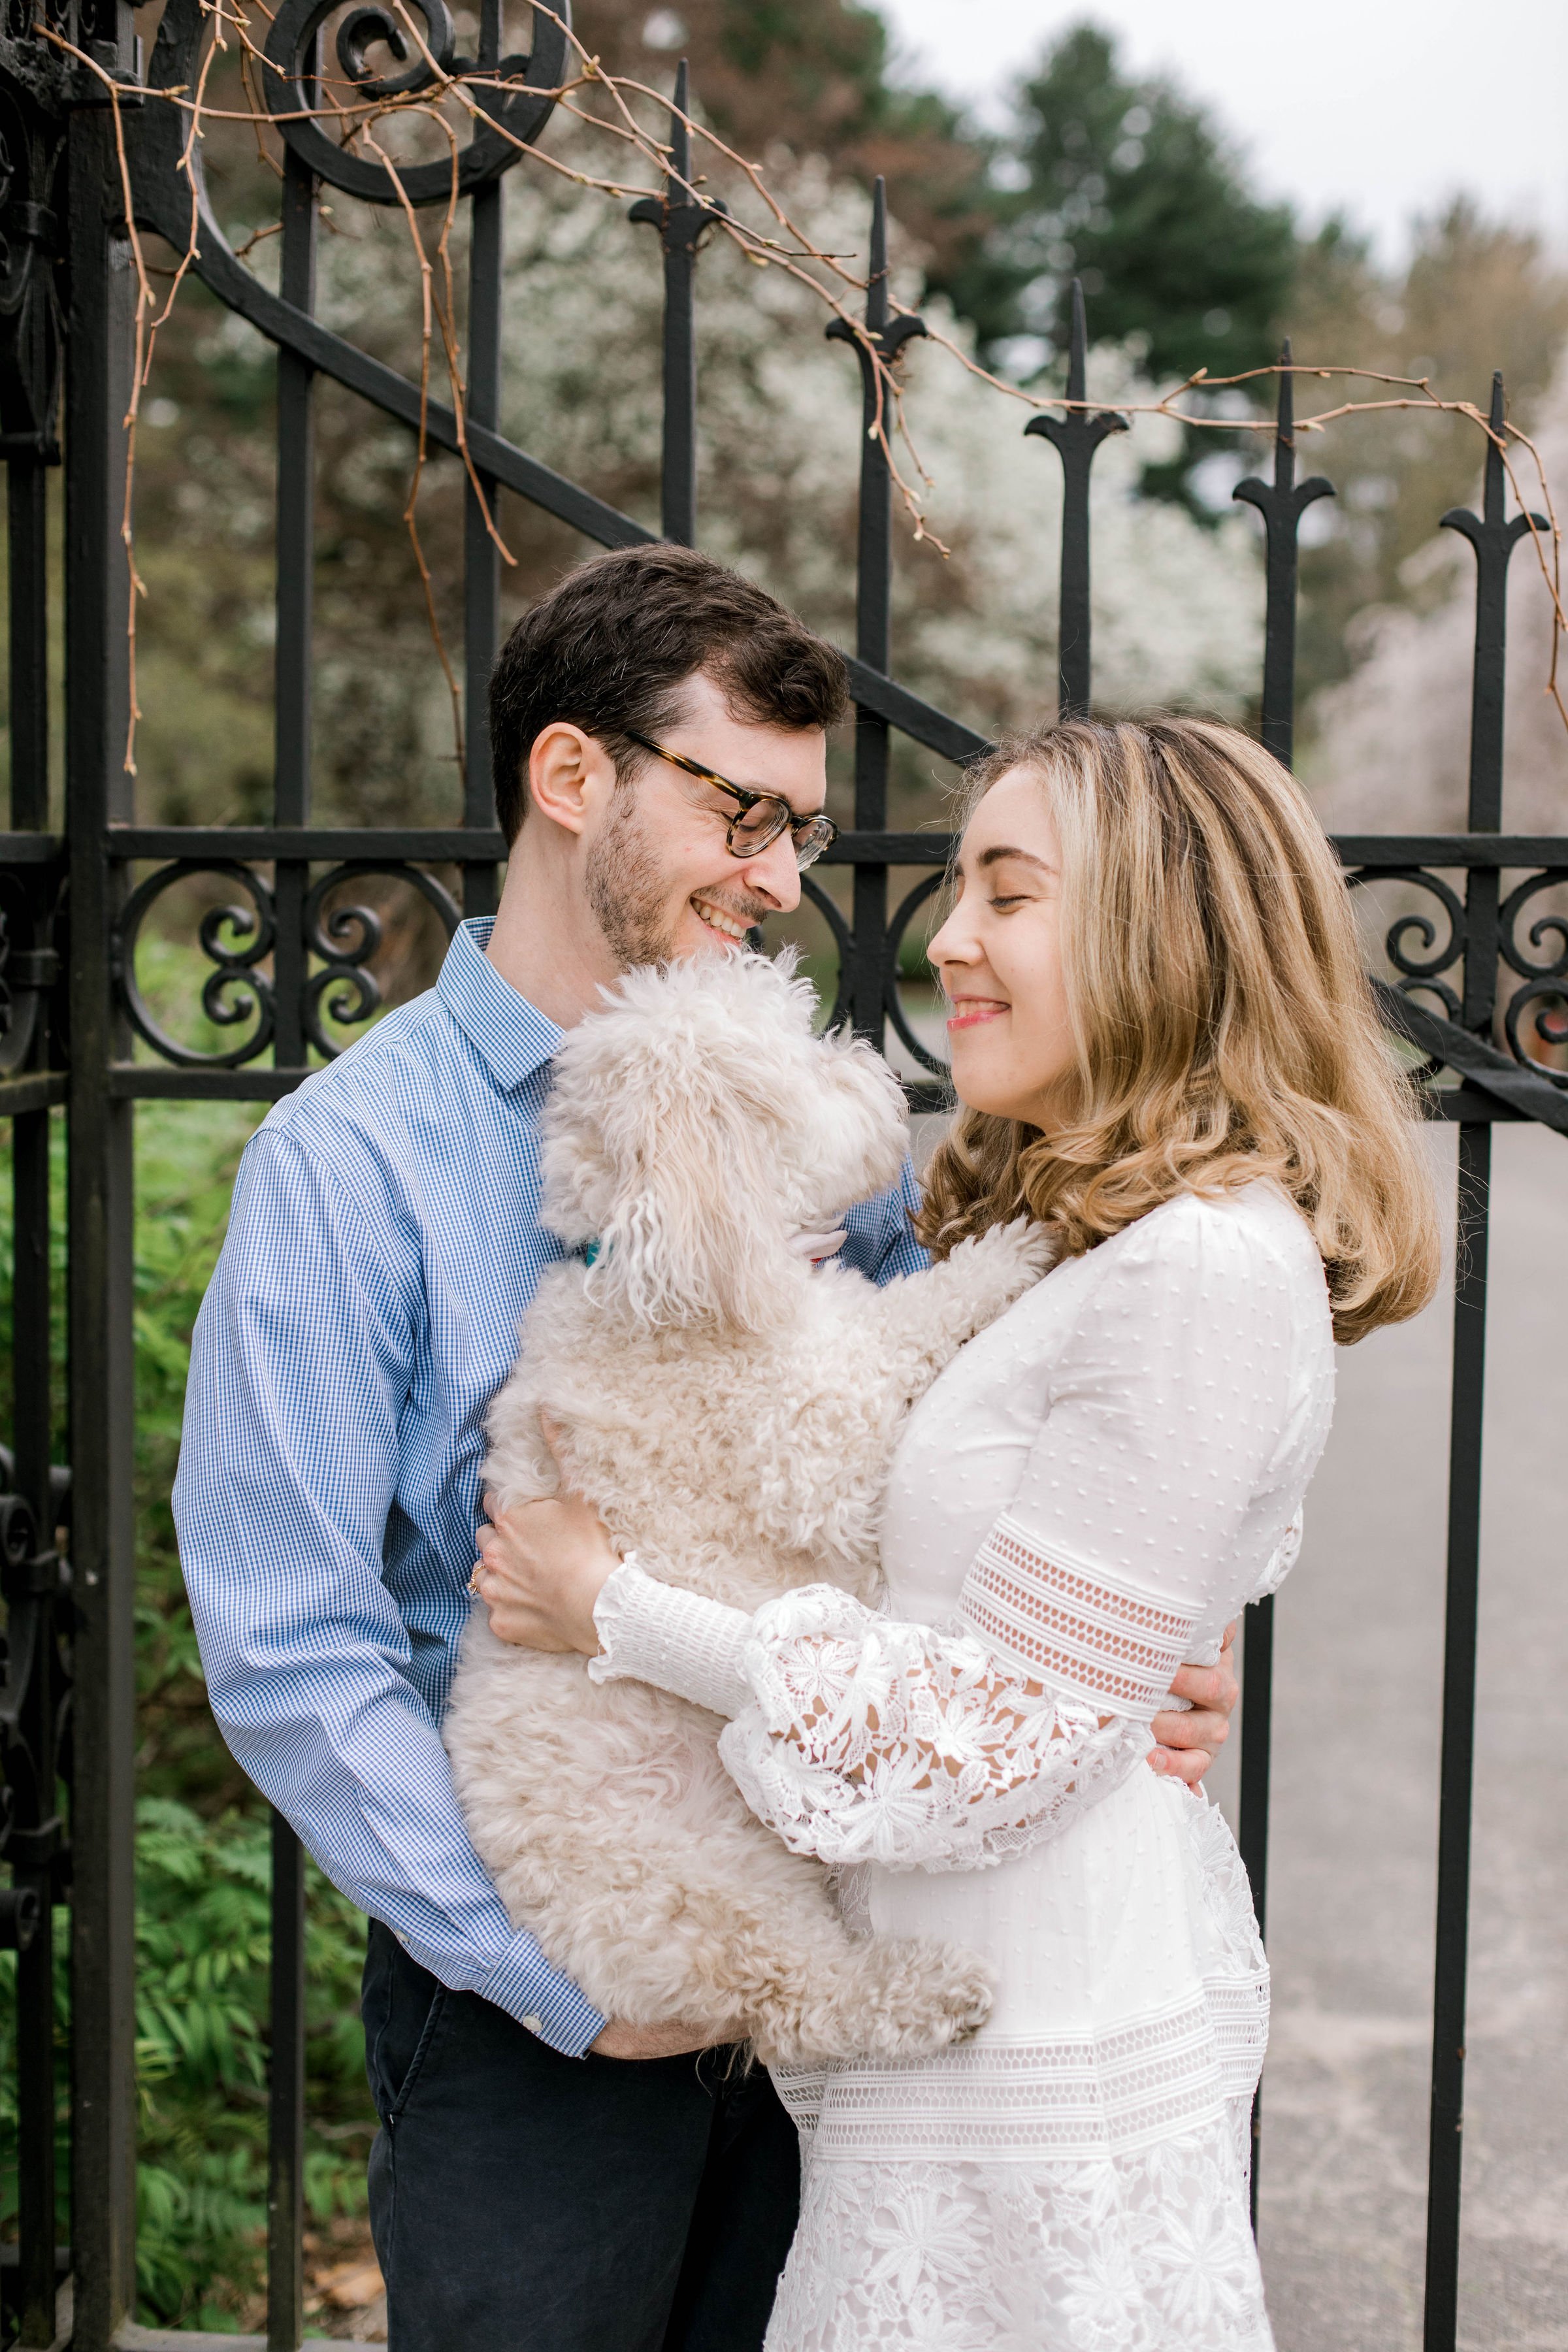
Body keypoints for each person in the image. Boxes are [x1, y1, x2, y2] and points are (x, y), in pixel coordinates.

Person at [173, 549, 1237, 2352]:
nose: (780, 880)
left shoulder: (840, 1135)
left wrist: (1120, 1664)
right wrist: (548, 1978)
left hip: (876, 1899)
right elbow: (287, 1638)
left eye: (803, 836)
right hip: (544, 1993)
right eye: (744, 814)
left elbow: (971, 1452)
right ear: (574, 778)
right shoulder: (350, 1167)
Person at [471, 715, 1442, 2352]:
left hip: (1035, 2024)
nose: (949, 939)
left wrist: (619, 1612)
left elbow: (1007, 1743)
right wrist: (1130, 1673)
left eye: (1009, 893)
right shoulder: (1099, 1238)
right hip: (964, 2009)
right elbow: (1043, 1632)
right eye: (955, 887)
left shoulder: (1198, 1268)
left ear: (1163, 932)